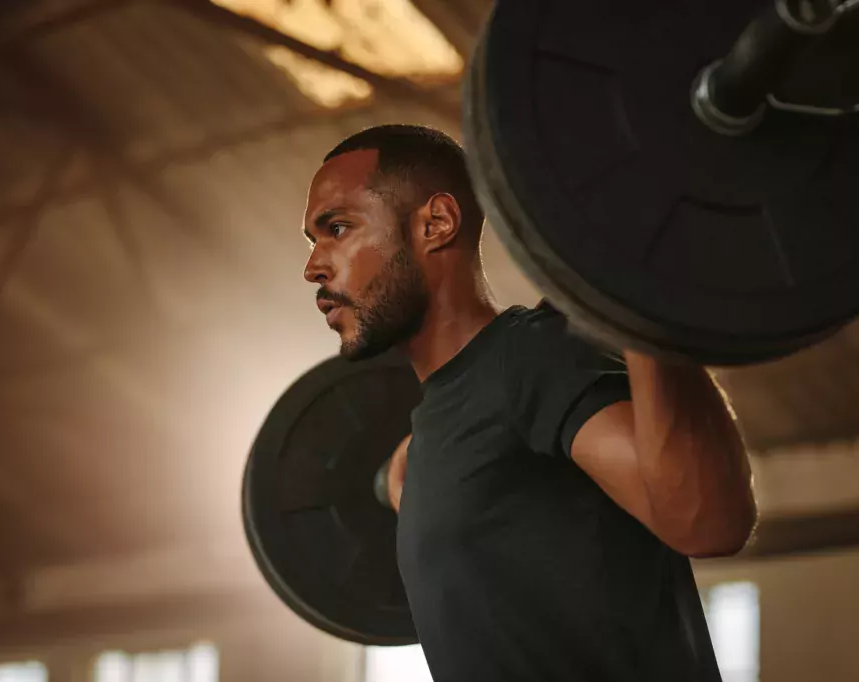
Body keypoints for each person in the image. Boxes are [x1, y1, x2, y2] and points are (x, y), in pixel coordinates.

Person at [303, 124, 757, 682]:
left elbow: (708, 522)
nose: (314, 267)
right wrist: (406, 471)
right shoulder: (434, 433)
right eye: (313, 242)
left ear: (436, 223)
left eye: (338, 229)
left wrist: (639, 291)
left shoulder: (532, 358)